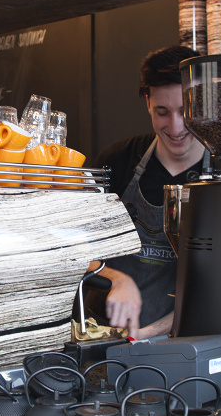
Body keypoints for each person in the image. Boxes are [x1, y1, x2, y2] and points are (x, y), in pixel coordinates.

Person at [89, 45, 209, 340]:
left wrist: (148, 335)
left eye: (185, 112)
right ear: (147, 103)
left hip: (184, 343)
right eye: (162, 112)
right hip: (104, 336)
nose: (176, 127)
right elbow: (74, 249)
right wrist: (116, 278)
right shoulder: (116, 161)